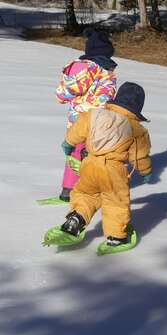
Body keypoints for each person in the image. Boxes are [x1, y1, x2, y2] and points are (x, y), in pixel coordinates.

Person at [44, 82, 152, 256]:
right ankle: (116, 237)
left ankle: (75, 219)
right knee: (115, 202)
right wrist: (145, 172)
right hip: (113, 170)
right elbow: (139, 156)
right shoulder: (137, 129)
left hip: (89, 164)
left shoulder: (95, 115)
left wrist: (68, 143)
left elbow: (78, 128)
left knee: (86, 194)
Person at [55, 28, 118, 202]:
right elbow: (104, 97)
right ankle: (85, 189)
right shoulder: (100, 70)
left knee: (75, 152)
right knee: (89, 155)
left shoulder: (81, 68)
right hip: (94, 121)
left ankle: (68, 189)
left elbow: (64, 94)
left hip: (77, 121)